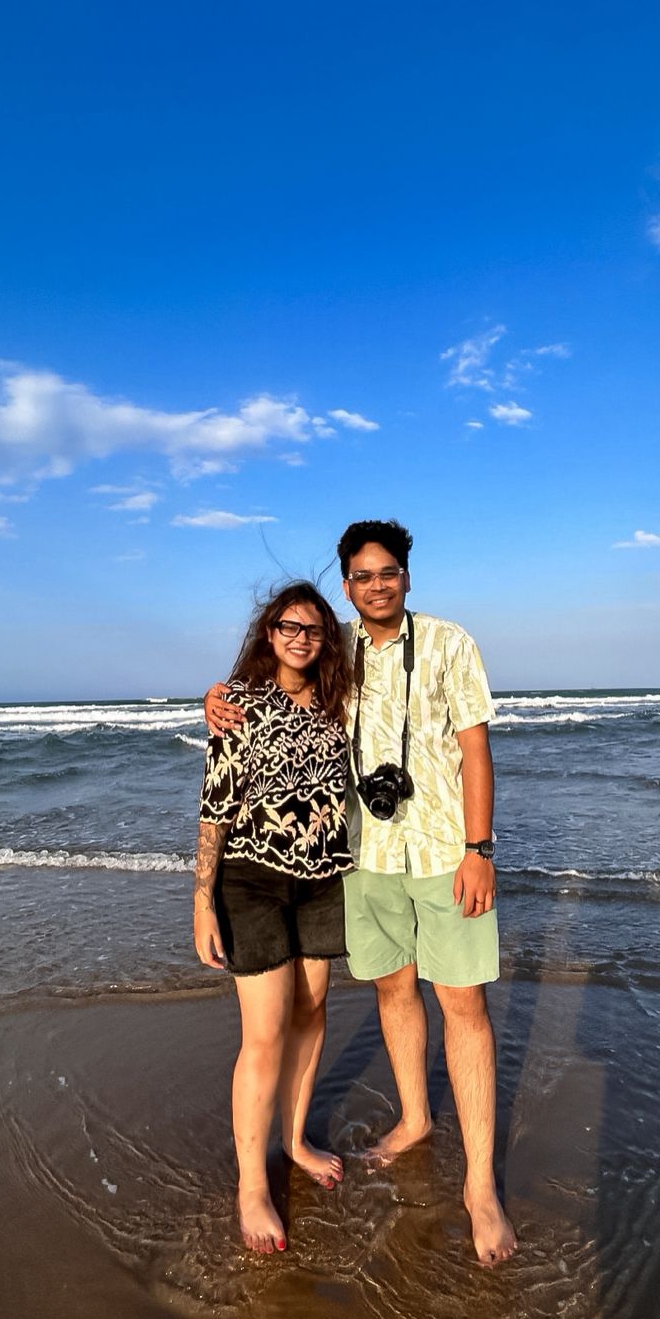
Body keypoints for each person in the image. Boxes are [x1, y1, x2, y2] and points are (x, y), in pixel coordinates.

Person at [208, 521, 517, 1265]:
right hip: (365, 856)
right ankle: (415, 1119)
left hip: (443, 851)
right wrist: (215, 696)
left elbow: (476, 749)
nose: (377, 586)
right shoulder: (333, 648)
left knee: (463, 1004)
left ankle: (480, 1189)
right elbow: (269, 681)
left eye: (388, 573)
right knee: (393, 990)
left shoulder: (449, 643)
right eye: (362, 576)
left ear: (407, 576)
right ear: (346, 585)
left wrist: (479, 850)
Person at [194, 581, 353, 1255]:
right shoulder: (240, 704)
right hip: (252, 882)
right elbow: (215, 806)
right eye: (289, 626)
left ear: (326, 639)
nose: (300, 638)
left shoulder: (342, 703)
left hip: (324, 881)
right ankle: (252, 1184)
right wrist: (202, 900)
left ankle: (294, 1139)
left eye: (313, 629)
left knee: (311, 1010)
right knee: (263, 1033)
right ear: (270, 632)